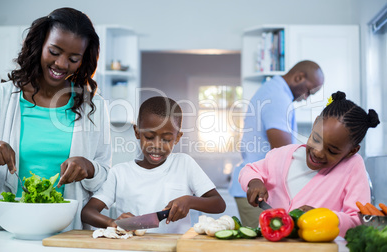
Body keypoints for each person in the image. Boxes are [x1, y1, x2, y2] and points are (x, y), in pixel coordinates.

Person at [0, 7, 111, 230]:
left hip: (68, 230)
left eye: (73, 58)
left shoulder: (95, 107)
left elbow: (106, 179)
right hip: (9, 228)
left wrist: (89, 167)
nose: (62, 64)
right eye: (54, 52)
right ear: (39, 44)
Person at [239, 91, 380, 236]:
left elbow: (357, 220)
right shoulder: (282, 154)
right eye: (316, 139)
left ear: (352, 151)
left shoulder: (352, 166)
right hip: (271, 241)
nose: (318, 152)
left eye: (332, 151)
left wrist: (325, 217)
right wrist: (254, 181)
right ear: (315, 123)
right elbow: (250, 169)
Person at [81, 96, 226, 234]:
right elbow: (88, 213)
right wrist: (112, 223)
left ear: (177, 138)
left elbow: (219, 203)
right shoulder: (120, 173)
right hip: (131, 247)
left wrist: (190, 201)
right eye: (149, 137)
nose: (157, 146)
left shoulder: (184, 164)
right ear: (137, 132)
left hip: (175, 247)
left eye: (166, 139)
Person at [229, 60, 324, 227]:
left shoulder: (273, 90)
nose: (306, 98)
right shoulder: (277, 97)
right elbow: (283, 151)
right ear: (298, 77)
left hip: (258, 187)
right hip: (257, 190)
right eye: (309, 91)